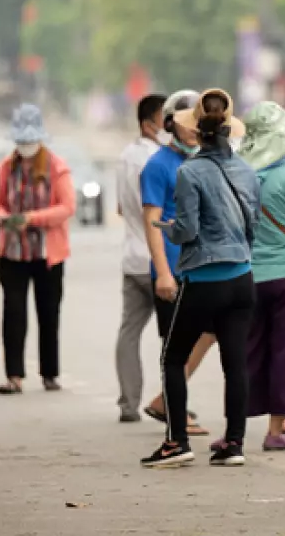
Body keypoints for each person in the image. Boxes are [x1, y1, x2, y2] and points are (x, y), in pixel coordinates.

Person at [141, 89, 260, 469]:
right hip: (242, 276)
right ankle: (235, 444)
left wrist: (168, 228)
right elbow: (252, 225)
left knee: (173, 357)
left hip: (204, 279)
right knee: (235, 363)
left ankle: (176, 441)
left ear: (196, 130)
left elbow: (188, 231)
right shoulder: (247, 170)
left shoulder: (188, 171)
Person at [239, 102, 285, 452]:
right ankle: (275, 430)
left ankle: (235, 428)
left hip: (248, 276)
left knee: (247, 352)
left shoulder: (240, 175)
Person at [0, 104, 75, 394]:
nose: (26, 146)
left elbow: (67, 207)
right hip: (13, 253)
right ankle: (14, 375)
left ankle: (49, 373)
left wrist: (32, 219)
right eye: (21, 141)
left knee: (48, 313)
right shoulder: (6, 167)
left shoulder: (56, 167)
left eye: (30, 141)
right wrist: (1, 216)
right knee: (13, 313)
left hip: (46, 254)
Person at [139, 89, 211, 436]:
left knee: (206, 333)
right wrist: (162, 273)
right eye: (186, 121)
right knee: (176, 345)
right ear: (170, 124)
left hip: (198, 267)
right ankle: (173, 410)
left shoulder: (200, 161)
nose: (194, 127)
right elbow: (151, 221)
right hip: (172, 267)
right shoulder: (158, 165)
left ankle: (165, 401)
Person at [114, 93, 168, 422]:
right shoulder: (159, 160)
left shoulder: (125, 155)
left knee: (129, 331)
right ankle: (171, 400)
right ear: (149, 124)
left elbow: (121, 208)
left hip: (131, 256)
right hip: (157, 258)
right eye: (167, 120)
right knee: (173, 337)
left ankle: (128, 404)